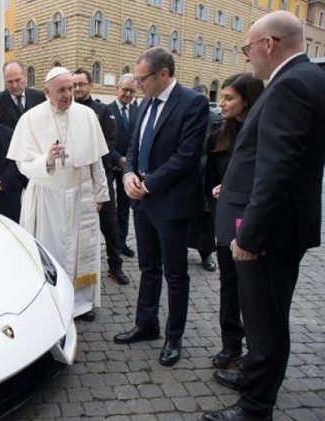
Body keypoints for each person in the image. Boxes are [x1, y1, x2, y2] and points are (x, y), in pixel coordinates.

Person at [204, 11, 325, 421]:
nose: (248, 56)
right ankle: (254, 381)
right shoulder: (310, 78)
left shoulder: (289, 85)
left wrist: (249, 237)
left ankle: (255, 408)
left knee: (265, 324)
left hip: (269, 234)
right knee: (265, 320)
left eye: (247, 48)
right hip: (283, 227)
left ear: (268, 44)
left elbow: (277, 170)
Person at [113, 47, 209, 367]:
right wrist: (128, 175)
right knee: (148, 267)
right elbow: (133, 146)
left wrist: (148, 184)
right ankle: (147, 324)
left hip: (171, 204)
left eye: (142, 78)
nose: (137, 84)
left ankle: (174, 336)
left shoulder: (192, 103)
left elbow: (186, 156)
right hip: (142, 203)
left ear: (163, 74)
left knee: (176, 274)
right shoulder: (144, 103)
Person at [7, 67, 109, 319]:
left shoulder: (86, 115)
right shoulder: (30, 119)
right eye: (61, 90)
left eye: (71, 88)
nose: (68, 94)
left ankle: (82, 303)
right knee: (52, 250)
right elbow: (23, 163)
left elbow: (96, 160)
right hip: (47, 197)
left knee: (80, 249)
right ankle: (53, 301)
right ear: (46, 92)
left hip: (80, 194)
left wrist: (100, 194)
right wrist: (47, 160)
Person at [203, 73, 264, 371]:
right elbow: (211, 179)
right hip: (227, 223)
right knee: (229, 285)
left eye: (229, 98)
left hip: (253, 222)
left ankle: (256, 351)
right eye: (221, 97)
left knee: (252, 291)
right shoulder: (218, 135)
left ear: (247, 100)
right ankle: (231, 344)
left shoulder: (264, 134)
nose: (221, 103)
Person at [73, 68, 131, 302]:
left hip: (100, 178)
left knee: (109, 224)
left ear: (90, 85)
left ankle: (115, 265)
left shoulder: (103, 111)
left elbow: (108, 143)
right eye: (74, 85)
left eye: (81, 84)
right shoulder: (69, 111)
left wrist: (86, 157)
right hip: (76, 181)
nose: (77, 89)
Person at [187, 83, 219, 272]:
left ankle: (206, 254)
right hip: (188, 175)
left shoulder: (215, 120)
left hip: (207, 175)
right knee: (185, 217)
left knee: (205, 220)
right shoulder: (187, 117)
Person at [107, 74, 139, 258]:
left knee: (125, 208)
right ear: (117, 89)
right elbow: (103, 140)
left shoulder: (137, 111)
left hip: (129, 169)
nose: (128, 94)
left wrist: (129, 162)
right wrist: (118, 159)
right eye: (125, 89)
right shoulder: (107, 110)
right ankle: (112, 244)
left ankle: (122, 242)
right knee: (110, 208)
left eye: (132, 91)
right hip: (111, 166)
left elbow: (138, 139)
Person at [0, 60, 46, 130]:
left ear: (25, 77)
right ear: (4, 81)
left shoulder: (39, 97)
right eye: (10, 82)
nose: (14, 85)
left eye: (17, 80)